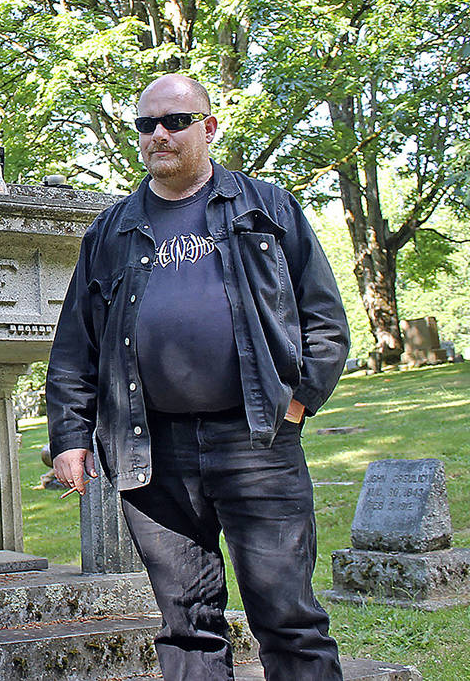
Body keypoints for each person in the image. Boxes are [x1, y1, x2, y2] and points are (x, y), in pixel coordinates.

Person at [45, 74, 350, 680]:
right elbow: (77, 344)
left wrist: (298, 400)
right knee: (186, 627)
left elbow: (324, 317)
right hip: (151, 449)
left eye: (175, 121)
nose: (159, 134)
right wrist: (70, 436)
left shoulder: (267, 208)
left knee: (288, 617)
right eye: (146, 125)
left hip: (257, 439)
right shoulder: (111, 230)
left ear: (208, 128)